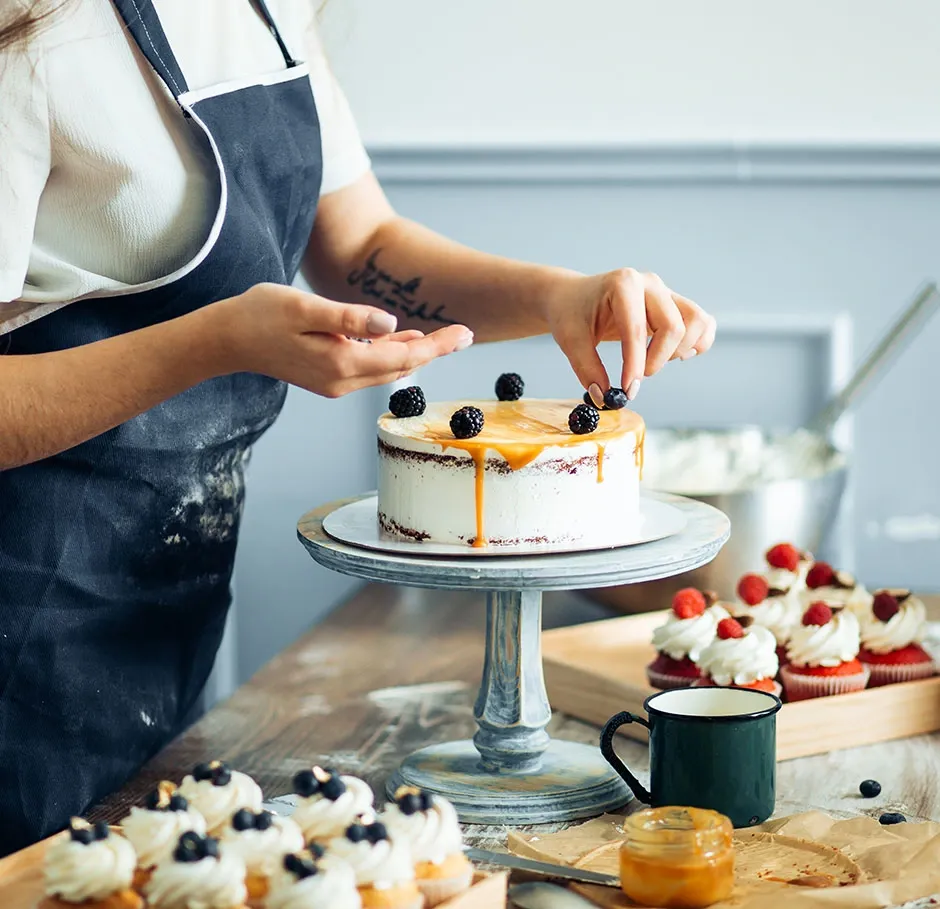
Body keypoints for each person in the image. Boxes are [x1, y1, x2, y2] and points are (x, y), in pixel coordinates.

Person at [0, 0, 716, 855]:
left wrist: (558, 296)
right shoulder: (25, 35)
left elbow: (361, 246)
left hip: (167, 595)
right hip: (24, 601)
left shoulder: (272, 9)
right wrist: (217, 340)